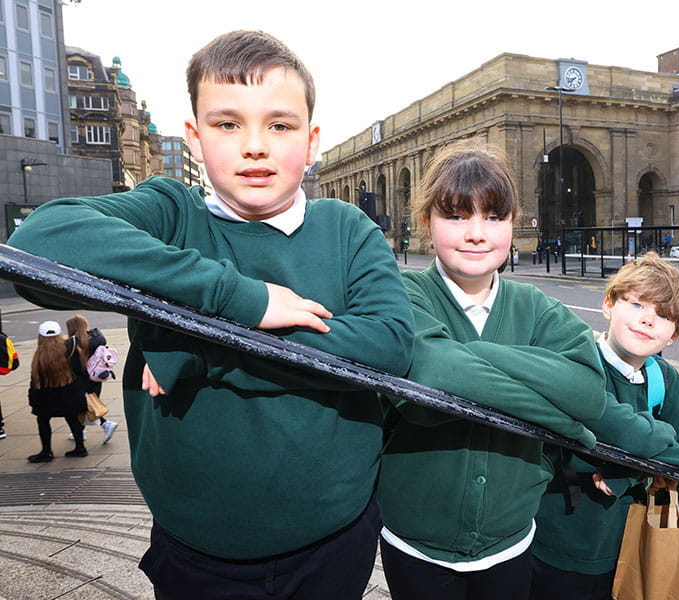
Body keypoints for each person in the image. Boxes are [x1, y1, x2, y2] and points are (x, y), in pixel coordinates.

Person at [9, 30, 414, 599]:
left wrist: (199, 346)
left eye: (280, 124)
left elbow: (389, 346)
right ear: (195, 139)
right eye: (228, 124)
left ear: (312, 138)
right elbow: (41, 244)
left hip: (334, 539)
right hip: (195, 549)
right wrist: (243, 301)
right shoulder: (170, 212)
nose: (255, 145)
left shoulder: (348, 229)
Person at [377, 140, 608, 600]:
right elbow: (429, 384)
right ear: (426, 223)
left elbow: (588, 393)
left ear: (512, 224)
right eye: (457, 216)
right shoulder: (403, 293)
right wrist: (561, 422)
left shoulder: (538, 308)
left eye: (494, 217)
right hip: (416, 541)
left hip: (510, 539)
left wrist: (459, 357)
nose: (476, 233)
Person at [530, 252, 679, 600]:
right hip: (549, 545)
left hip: (620, 551)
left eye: (664, 315)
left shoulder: (661, 378)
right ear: (608, 305)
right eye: (638, 304)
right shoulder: (578, 358)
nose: (648, 320)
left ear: (674, 335)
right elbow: (607, 435)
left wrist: (632, 468)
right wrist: (658, 438)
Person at [26, 321, 87, 463]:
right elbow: (81, 370)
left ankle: (46, 451)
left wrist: (33, 399)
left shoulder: (39, 356)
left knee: (43, 420)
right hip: (70, 393)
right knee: (73, 419)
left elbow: (35, 380)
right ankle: (80, 448)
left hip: (47, 396)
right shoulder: (70, 348)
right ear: (60, 333)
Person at [65, 314, 118, 444]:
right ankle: (80, 431)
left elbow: (75, 366)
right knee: (88, 405)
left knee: (83, 407)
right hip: (97, 377)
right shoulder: (97, 337)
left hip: (82, 380)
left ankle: (106, 425)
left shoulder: (76, 342)